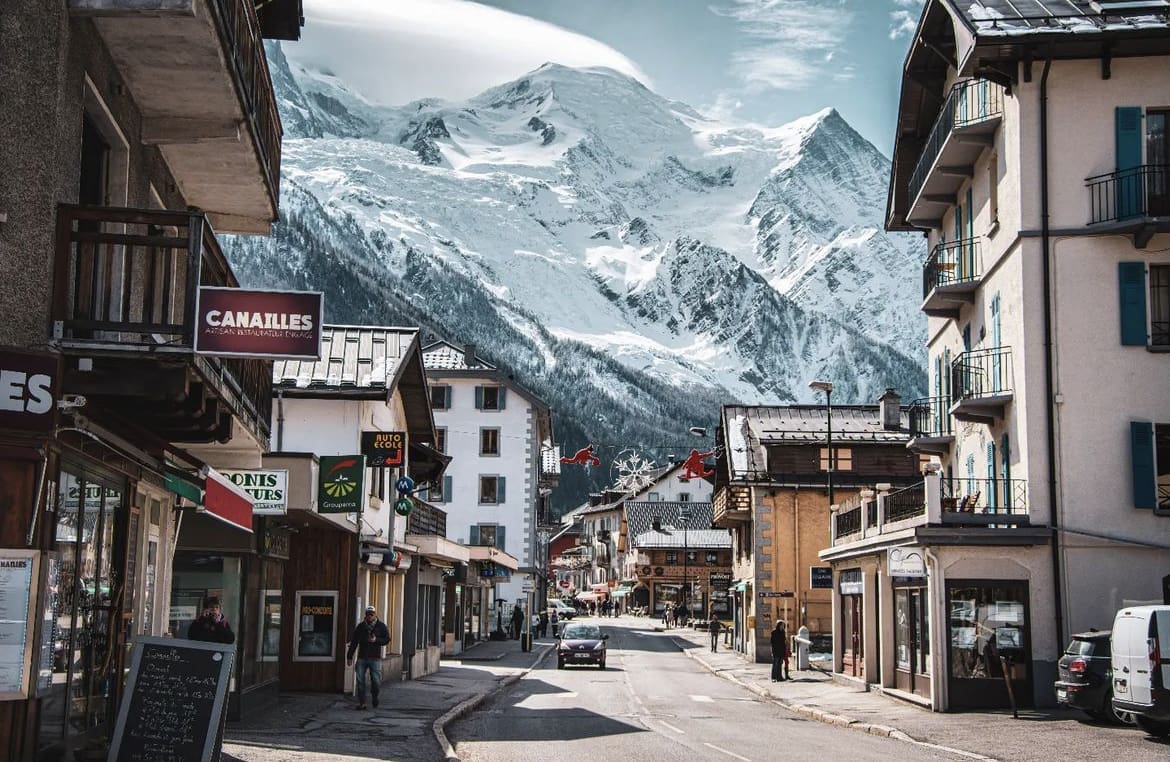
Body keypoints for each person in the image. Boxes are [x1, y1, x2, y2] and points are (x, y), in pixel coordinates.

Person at [346, 606, 390, 709]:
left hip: (375, 658)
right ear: (365, 615)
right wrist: (349, 656)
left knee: (376, 681)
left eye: (371, 614)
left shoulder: (381, 626)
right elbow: (354, 642)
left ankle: (375, 696)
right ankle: (362, 702)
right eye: (367, 614)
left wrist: (376, 640)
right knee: (360, 681)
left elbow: (387, 639)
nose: (369, 616)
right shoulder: (361, 627)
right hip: (362, 657)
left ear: (375, 615)